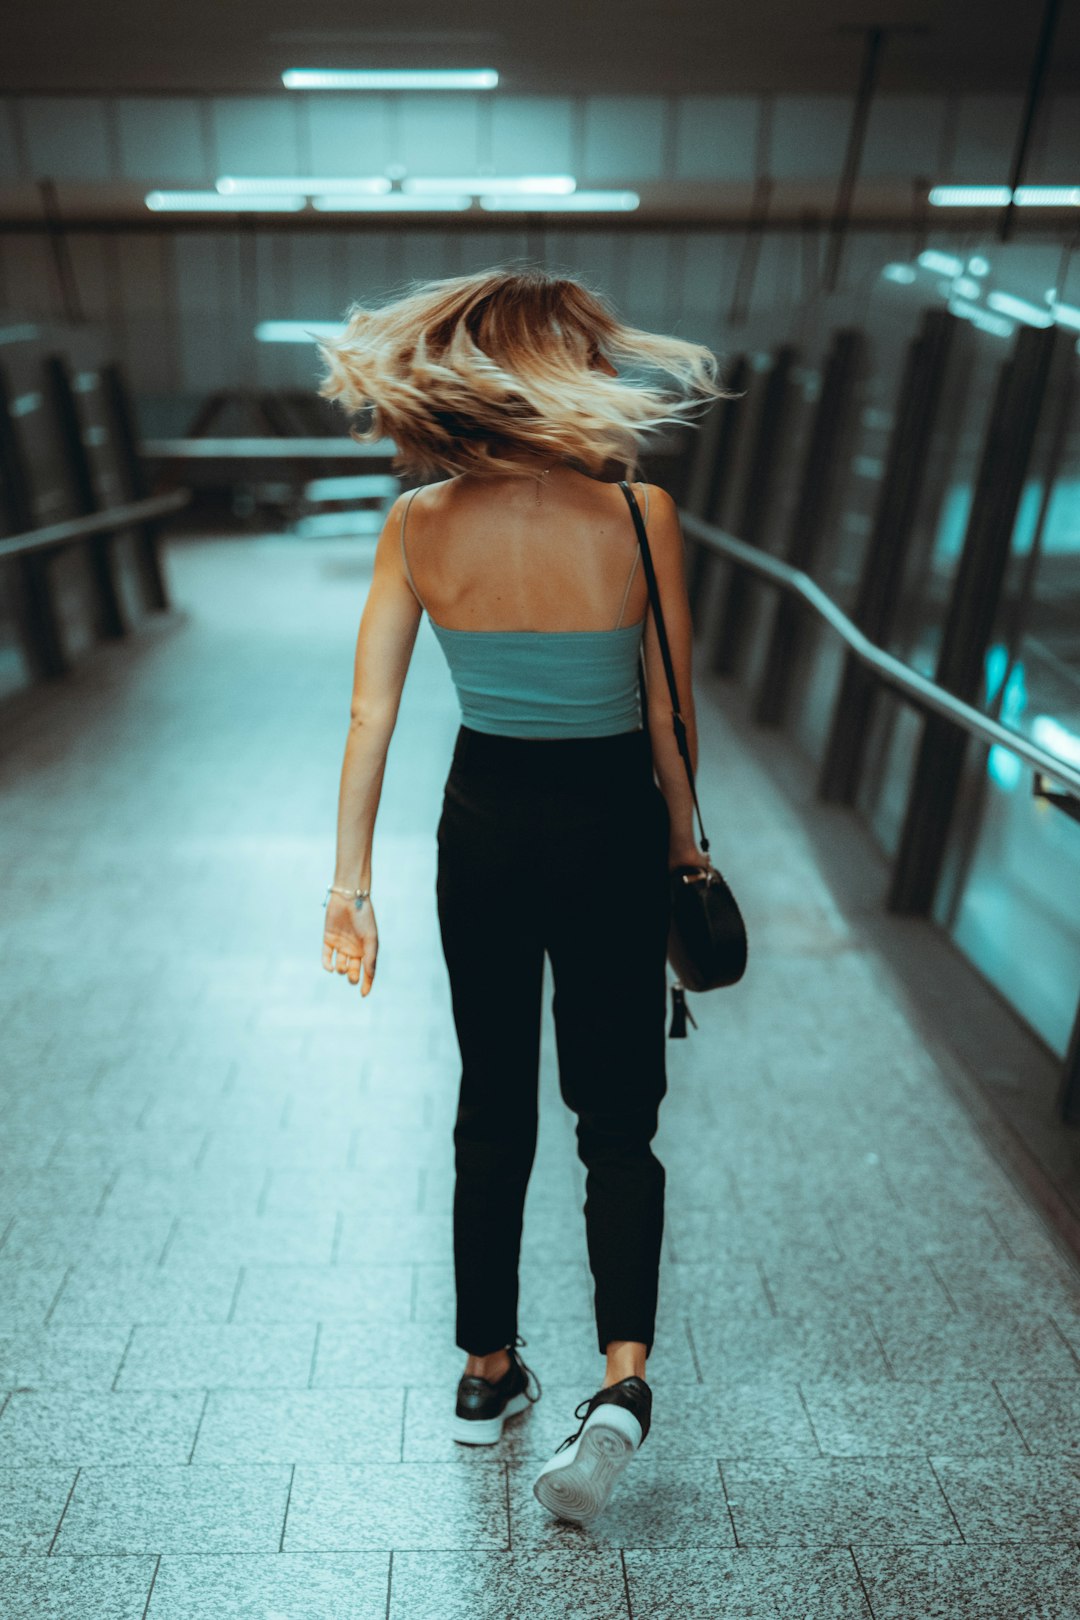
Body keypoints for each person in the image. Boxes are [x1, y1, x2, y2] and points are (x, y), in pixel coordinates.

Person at [316, 265, 730, 1524]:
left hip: (480, 826)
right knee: (619, 1113)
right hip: (607, 822)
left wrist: (350, 886)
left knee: (490, 1097)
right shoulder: (638, 513)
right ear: (559, 369)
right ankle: (621, 1384)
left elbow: (371, 713)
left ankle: (486, 1370)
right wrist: (680, 855)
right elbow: (668, 716)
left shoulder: (418, 525)